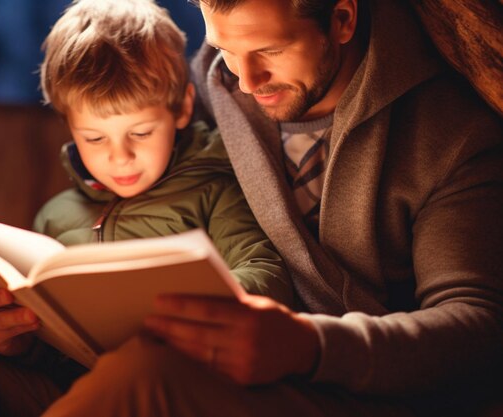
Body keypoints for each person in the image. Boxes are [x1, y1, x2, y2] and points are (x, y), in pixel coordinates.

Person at [39, 0, 503, 416]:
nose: (245, 80)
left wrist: (311, 346)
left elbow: (478, 328)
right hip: (219, 366)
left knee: (146, 375)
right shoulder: (214, 83)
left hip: (363, 386)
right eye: (225, 48)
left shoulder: (451, 135)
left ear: (341, 18)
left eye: (271, 51)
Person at [0, 0, 296, 416]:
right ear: (69, 125)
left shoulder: (213, 189)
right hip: (68, 391)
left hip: (168, 388)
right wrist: (9, 338)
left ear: (182, 108)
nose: (120, 157)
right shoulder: (57, 216)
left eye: (141, 132)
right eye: (95, 138)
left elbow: (268, 275)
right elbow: (57, 353)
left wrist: (168, 305)